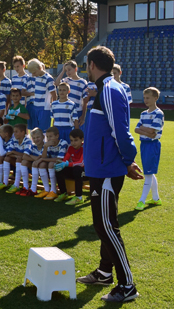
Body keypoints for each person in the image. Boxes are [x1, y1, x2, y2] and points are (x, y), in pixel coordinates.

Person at [76, 46, 142, 303]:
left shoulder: (110, 89)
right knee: (104, 224)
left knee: (106, 226)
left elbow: (121, 132)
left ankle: (127, 285)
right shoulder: (102, 89)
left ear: (92, 64)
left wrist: (128, 161)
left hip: (107, 171)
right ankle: (105, 272)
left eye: (86, 64)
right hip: (99, 168)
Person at [134, 87, 164, 211]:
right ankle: (156, 199)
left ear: (155, 98)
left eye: (148, 98)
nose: (145, 100)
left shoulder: (158, 113)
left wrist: (144, 129)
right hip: (144, 144)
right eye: (144, 97)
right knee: (149, 172)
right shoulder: (143, 113)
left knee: (148, 174)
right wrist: (148, 131)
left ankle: (141, 200)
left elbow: (153, 131)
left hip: (153, 145)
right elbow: (136, 129)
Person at [54, 128, 86, 205]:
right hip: (75, 171)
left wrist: (66, 164)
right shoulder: (70, 148)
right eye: (71, 140)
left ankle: (79, 197)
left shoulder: (85, 148)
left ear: (82, 139)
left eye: (76, 140)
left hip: (86, 173)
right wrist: (60, 164)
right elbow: (65, 160)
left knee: (77, 169)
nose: (73, 143)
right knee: (59, 169)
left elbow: (81, 163)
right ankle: (63, 193)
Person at [26, 59, 56, 132]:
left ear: (40, 68)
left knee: (44, 132)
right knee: (36, 132)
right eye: (31, 73)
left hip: (44, 109)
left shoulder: (48, 78)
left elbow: (54, 95)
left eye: (34, 72)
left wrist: (54, 108)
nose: (33, 74)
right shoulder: (37, 78)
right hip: (36, 108)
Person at [38, 127, 68, 200]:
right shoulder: (48, 145)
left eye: (50, 136)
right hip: (53, 164)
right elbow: (44, 157)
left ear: (57, 136)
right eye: (47, 137)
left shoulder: (63, 143)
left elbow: (59, 159)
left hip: (64, 165)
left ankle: (53, 191)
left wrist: (43, 159)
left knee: (51, 164)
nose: (49, 139)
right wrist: (45, 147)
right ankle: (46, 189)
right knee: (42, 164)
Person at [5, 124, 31, 194]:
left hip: (29, 164)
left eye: (16, 132)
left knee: (19, 159)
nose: (14, 134)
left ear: (23, 133)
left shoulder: (28, 141)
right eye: (14, 132)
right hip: (19, 161)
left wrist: (13, 152)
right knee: (7, 158)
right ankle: (5, 182)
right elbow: (8, 153)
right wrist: (16, 155)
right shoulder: (14, 140)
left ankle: (24, 186)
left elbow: (25, 155)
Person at [21, 127, 45, 196]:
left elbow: (43, 158)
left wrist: (31, 157)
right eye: (34, 138)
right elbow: (24, 156)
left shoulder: (45, 146)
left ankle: (33, 189)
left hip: (45, 168)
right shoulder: (32, 146)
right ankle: (26, 187)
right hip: (35, 167)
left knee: (37, 163)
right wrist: (36, 158)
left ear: (43, 137)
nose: (36, 139)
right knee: (24, 162)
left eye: (38, 137)